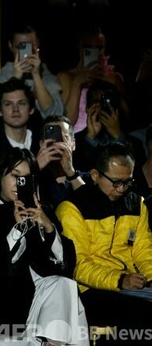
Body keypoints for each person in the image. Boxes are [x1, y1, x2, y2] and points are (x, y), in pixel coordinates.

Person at [0, 148, 87, 346]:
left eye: (27, 178)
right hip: (6, 307)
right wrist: (18, 230)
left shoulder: (42, 210)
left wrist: (48, 228)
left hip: (45, 301)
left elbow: (65, 265)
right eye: (15, 176)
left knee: (64, 285)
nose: (20, 183)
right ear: (0, 175)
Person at [56, 142, 152, 345]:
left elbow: (144, 252)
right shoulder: (72, 208)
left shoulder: (136, 203)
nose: (122, 188)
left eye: (128, 181)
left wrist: (150, 277)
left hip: (131, 284)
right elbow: (78, 266)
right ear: (94, 175)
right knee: (137, 319)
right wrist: (120, 279)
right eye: (116, 182)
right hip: (91, 290)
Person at [58, 23, 127, 134]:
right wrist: (77, 84)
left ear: (105, 47)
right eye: (88, 48)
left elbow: (125, 119)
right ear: (80, 47)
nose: (96, 52)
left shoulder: (114, 78)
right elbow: (67, 123)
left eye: (99, 48)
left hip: (106, 137)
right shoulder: (66, 77)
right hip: (76, 138)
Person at [0, 23, 64, 119]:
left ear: (37, 44)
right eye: (21, 47)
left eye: (30, 46)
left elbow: (56, 115)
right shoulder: (1, 79)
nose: (26, 53)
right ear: (10, 46)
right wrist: (16, 79)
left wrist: (36, 75)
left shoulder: (48, 78)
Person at [0, 77, 41, 168]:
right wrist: (37, 165)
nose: (15, 109)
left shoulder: (41, 142)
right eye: (8, 104)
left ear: (31, 109)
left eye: (21, 103)